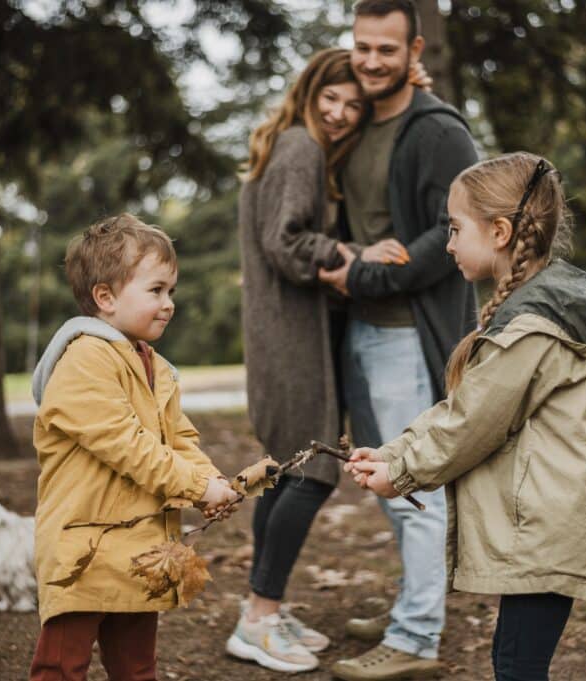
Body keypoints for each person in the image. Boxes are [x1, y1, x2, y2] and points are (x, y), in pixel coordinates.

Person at [345, 153, 586, 681]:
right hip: (547, 517)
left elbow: (472, 423)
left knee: (516, 666)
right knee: (515, 662)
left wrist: (403, 472)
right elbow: (466, 408)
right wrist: (395, 452)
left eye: (456, 228)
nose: (449, 244)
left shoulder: (530, 328)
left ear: (500, 231)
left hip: (548, 521)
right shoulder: (531, 313)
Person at [317, 2, 478, 679]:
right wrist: (349, 262)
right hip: (361, 330)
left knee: (414, 487)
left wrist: (368, 273)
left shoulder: (438, 131)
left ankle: (416, 637)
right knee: (388, 481)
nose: (373, 61)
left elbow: (452, 233)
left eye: (387, 48)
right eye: (363, 47)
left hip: (410, 336)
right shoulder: (357, 122)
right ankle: (416, 602)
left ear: (414, 48)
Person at [28, 214, 239, 681]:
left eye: (172, 292)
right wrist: (197, 485)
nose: (168, 304)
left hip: (140, 548)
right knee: (61, 667)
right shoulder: (83, 359)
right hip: (83, 550)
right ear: (105, 297)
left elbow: (178, 438)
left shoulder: (154, 366)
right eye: (156, 290)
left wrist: (212, 482)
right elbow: (128, 446)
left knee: (137, 668)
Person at [230, 47, 368, 675]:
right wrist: (351, 254)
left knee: (287, 471)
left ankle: (263, 611)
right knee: (313, 473)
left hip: (282, 337)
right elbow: (284, 242)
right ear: (307, 95)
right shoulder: (300, 148)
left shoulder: (290, 144)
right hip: (291, 341)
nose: (338, 114)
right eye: (329, 100)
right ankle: (258, 616)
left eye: (352, 105)